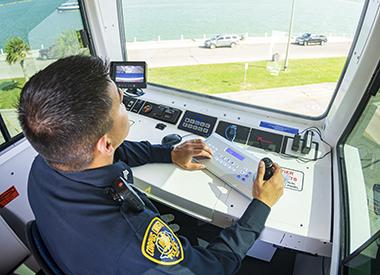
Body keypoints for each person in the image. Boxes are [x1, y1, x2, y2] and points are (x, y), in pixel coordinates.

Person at [18, 55, 284, 274]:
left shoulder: (43, 166)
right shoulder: (139, 244)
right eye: (120, 103)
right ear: (104, 143)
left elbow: (119, 153)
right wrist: (261, 206)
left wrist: (168, 153)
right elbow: (213, 268)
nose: (124, 98)